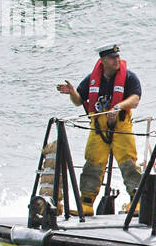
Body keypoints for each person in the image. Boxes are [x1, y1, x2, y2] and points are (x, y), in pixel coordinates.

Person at [56, 43, 143, 215]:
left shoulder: (129, 78)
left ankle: (137, 200)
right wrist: (72, 92)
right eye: (112, 58)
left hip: (121, 126)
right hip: (97, 128)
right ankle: (86, 203)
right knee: (92, 163)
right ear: (103, 60)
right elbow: (79, 101)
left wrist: (118, 106)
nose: (116, 60)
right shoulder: (92, 79)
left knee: (128, 163)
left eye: (117, 57)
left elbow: (135, 99)